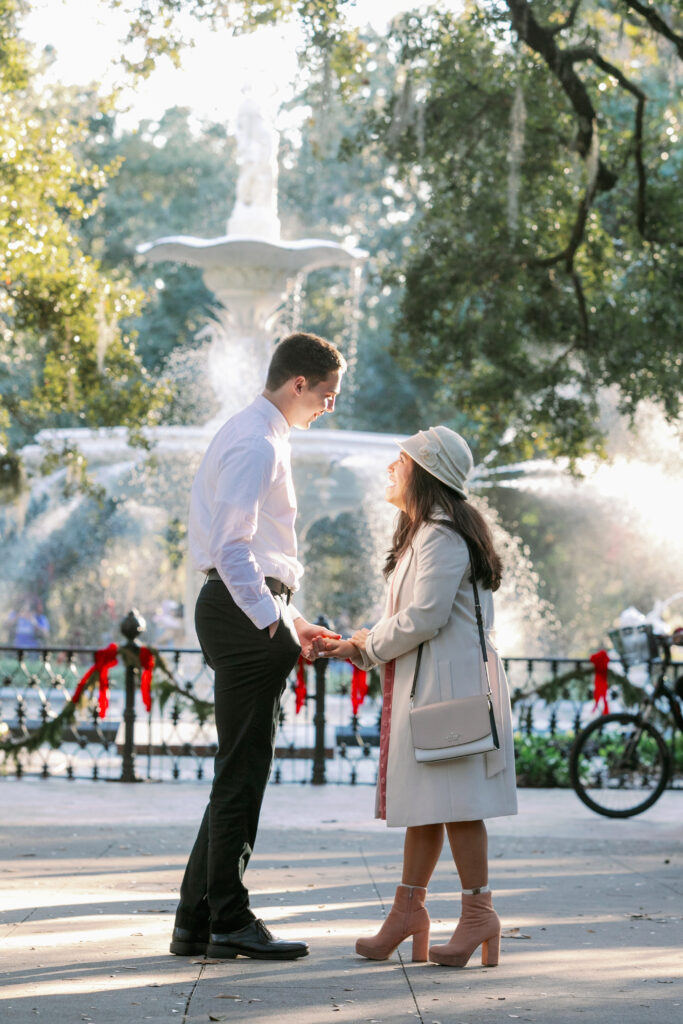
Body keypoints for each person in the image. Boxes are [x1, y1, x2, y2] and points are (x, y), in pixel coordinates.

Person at [170, 331, 345, 962]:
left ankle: (196, 921)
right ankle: (230, 920)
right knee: (243, 774)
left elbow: (258, 556)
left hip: (248, 610)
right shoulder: (255, 439)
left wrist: (289, 619)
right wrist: (269, 618)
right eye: (326, 394)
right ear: (299, 383)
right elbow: (231, 547)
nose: (329, 407)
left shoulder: (259, 433)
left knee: (236, 772)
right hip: (242, 613)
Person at [314, 426, 517, 968]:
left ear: (423, 472)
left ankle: (478, 914)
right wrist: (360, 644)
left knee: (457, 806)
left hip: (447, 690)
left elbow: (424, 616)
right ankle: (409, 912)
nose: (390, 469)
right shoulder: (428, 531)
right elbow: (417, 615)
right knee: (428, 806)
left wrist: (364, 645)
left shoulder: (441, 534)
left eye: (399, 461)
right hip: (433, 684)